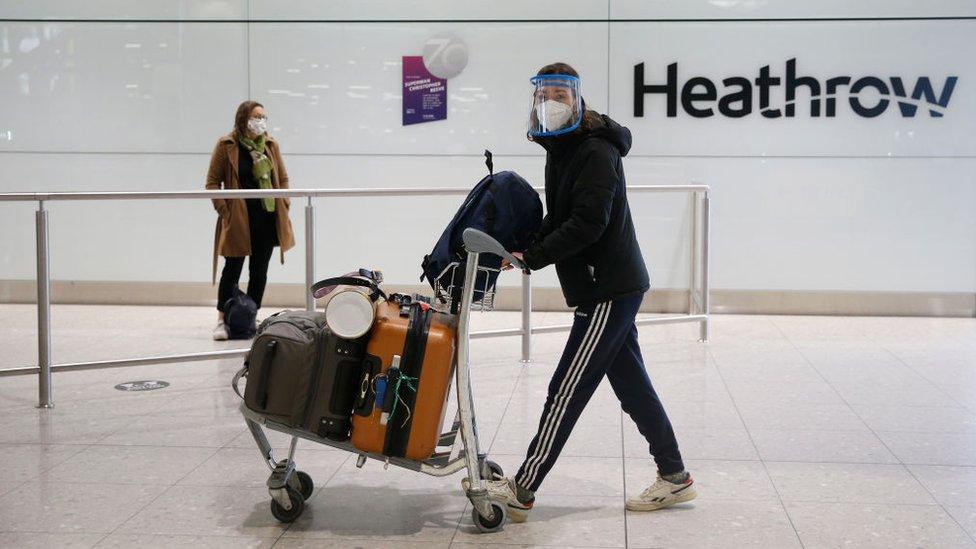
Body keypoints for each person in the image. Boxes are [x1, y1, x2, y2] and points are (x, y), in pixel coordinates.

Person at [472, 62, 696, 521]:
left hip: (606, 287)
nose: (552, 103)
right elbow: (563, 215)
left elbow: (589, 224)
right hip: (607, 283)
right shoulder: (560, 147)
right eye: (545, 95)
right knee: (633, 387)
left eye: (560, 94)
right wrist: (524, 247)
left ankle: (524, 488)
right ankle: (675, 476)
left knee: (566, 390)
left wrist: (534, 258)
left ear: (577, 98)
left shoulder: (595, 149)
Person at [207, 100, 295, 340]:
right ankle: (222, 320)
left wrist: (284, 202)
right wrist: (225, 211)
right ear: (243, 118)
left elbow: (284, 177)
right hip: (238, 219)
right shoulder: (227, 145)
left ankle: (250, 316)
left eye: (264, 116)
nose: (261, 121)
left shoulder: (270, 145)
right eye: (256, 116)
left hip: (267, 218)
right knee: (232, 270)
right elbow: (212, 183)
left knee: (259, 271)